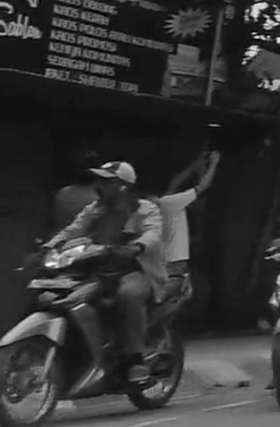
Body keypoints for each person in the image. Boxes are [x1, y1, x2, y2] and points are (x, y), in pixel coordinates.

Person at [46, 162, 164, 385]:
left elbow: (153, 234)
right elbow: (73, 230)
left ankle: (135, 360)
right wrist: (48, 247)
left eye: (106, 181)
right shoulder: (95, 209)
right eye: (99, 180)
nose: (99, 185)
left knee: (128, 296)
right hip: (97, 271)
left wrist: (137, 247)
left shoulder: (144, 208)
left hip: (133, 270)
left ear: (123, 186)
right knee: (63, 295)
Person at [156, 148, 222, 307]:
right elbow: (202, 186)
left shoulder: (157, 203)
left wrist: (196, 165)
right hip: (171, 266)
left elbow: (175, 183)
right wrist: (215, 163)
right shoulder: (170, 204)